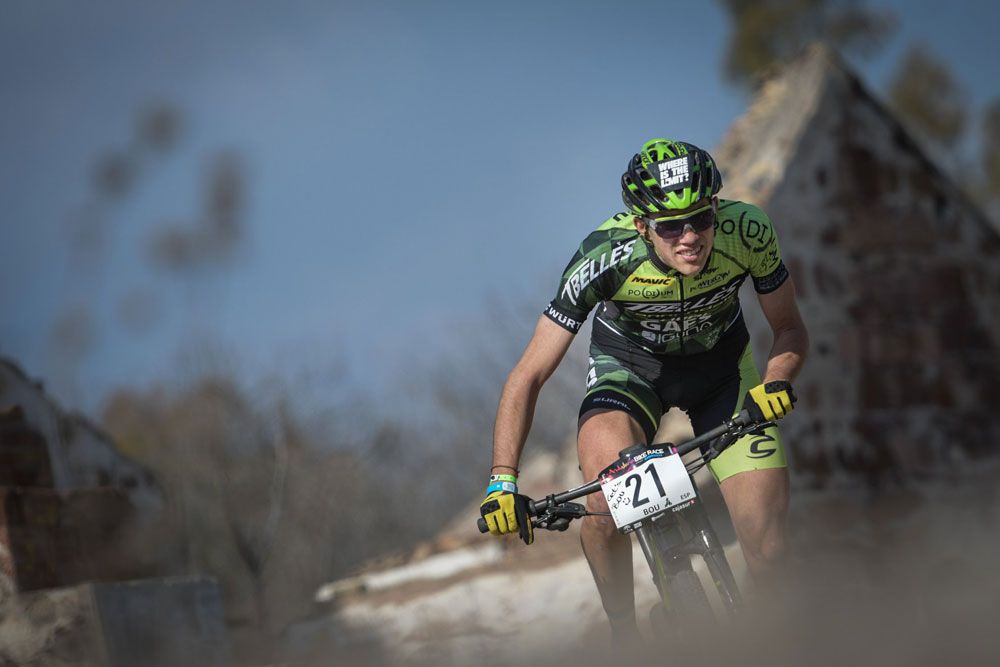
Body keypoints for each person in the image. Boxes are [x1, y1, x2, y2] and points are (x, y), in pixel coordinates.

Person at [480, 138, 809, 640]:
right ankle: (625, 638)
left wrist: (775, 382)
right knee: (605, 506)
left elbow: (790, 328)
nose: (690, 237)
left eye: (701, 218)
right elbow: (528, 374)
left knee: (769, 547)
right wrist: (502, 480)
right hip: (629, 375)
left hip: (722, 375)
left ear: (716, 207)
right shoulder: (604, 254)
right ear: (640, 226)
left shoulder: (748, 230)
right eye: (670, 225)